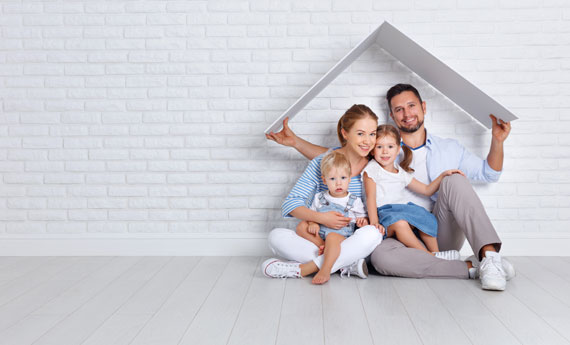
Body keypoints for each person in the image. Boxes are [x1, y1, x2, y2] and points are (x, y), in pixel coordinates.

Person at [266, 84, 515, 291]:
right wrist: (296, 143)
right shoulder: (362, 156)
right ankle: (469, 268)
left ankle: (489, 258)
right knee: (380, 258)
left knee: (452, 181)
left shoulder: (419, 153)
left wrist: (497, 141)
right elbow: (335, 159)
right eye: (399, 110)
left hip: (423, 230)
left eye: (411, 106)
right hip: (385, 233)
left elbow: (489, 173)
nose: (406, 114)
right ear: (392, 117)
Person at [262, 104, 383, 283]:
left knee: (373, 234)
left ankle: (308, 268)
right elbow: (291, 204)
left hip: (351, 239)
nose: (367, 141)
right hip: (321, 239)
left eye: (372, 134)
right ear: (345, 134)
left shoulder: (376, 166)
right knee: (276, 236)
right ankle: (345, 265)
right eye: (360, 133)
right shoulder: (323, 162)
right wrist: (322, 219)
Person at [363, 124, 464, 260]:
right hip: (384, 213)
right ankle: (429, 256)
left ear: (398, 149)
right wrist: (375, 224)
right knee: (401, 224)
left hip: (402, 209)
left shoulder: (401, 173)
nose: (385, 151)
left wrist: (443, 175)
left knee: (424, 216)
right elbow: (370, 198)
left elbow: (426, 190)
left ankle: (437, 253)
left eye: (390, 147)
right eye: (379, 147)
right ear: (372, 151)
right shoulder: (372, 169)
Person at [296, 151, 369, 284]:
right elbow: (311, 214)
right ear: (324, 180)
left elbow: (363, 218)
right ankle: (326, 249)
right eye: (332, 179)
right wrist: (313, 223)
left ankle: (325, 269)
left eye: (343, 178)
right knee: (301, 227)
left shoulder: (354, 200)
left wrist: (362, 221)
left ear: (349, 178)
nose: (338, 183)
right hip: (321, 236)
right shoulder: (319, 197)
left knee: (332, 237)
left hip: (341, 236)